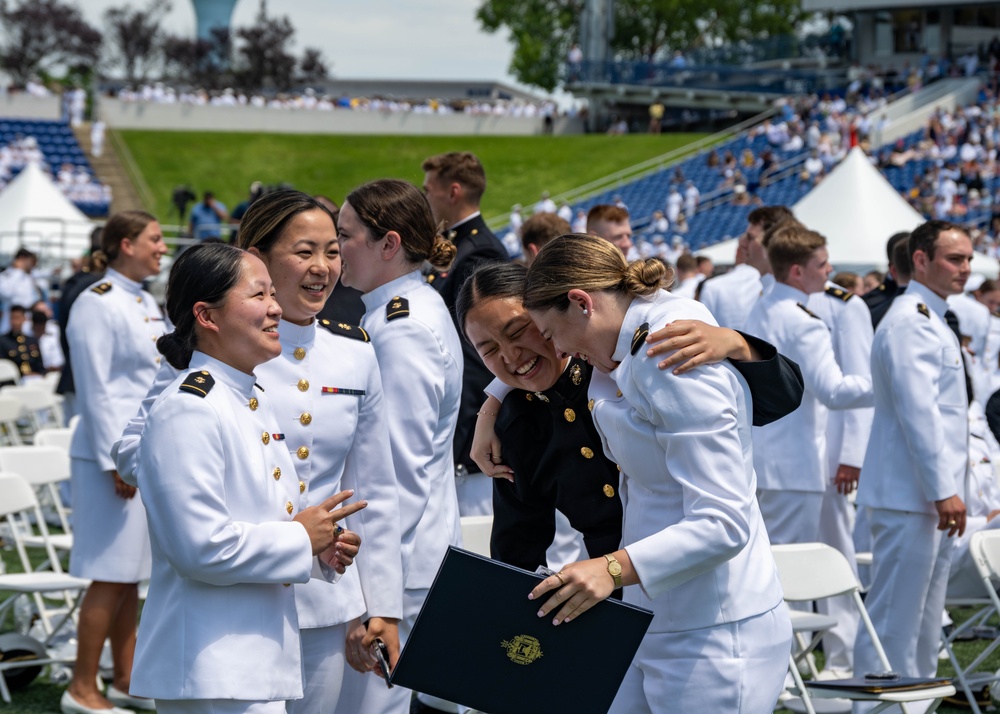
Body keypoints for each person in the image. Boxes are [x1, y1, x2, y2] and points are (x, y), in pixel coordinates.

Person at [521, 234, 791, 712]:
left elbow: (724, 522)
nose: (554, 350)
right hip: (657, 614)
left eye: (549, 333)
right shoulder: (629, 341)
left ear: (581, 303)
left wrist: (610, 570)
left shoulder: (667, 356)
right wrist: (493, 405)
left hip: (712, 630)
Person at [128, 243, 367, 714]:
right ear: (207, 316)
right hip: (210, 665)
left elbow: (255, 518)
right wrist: (300, 537)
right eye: (259, 295)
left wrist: (318, 543)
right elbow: (199, 547)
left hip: (249, 662)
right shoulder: (188, 408)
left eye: (273, 294)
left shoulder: (244, 395)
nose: (276, 307)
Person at [458, 259, 804, 574]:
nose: (509, 354)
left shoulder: (619, 361)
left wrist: (736, 344)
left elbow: (778, 400)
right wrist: (493, 403)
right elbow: (516, 549)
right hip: (618, 592)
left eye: (518, 331)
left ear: (543, 311)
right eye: (488, 350)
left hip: (708, 570)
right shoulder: (516, 424)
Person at [236, 190, 404, 712]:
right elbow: (139, 451)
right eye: (304, 251)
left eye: (332, 251)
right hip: (239, 592)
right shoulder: (213, 342)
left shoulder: (354, 352)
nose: (322, 268)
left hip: (327, 598)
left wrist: (384, 607)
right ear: (257, 257)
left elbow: (374, 489)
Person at [337, 178, 462, 713]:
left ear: (388, 244)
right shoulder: (394, 311)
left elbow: (396, 471)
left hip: (401, 569)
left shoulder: (402, 326)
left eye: (344, 236)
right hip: (408, 560)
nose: (333, 250)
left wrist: (374, 590)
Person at [854, 220, 973, 707]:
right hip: (912, 495)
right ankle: (872, 706)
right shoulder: (910, 320)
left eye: (968, 258)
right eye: (954, 258)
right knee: (893, 623)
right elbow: (918, 412)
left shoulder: (931, 317)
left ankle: (914, 705)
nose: (965, 268)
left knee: (924, 623)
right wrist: (943, 489)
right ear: (920, 260)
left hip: (924, 496)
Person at [61, 211, 169, 714]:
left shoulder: (145, 300)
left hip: (137, 454)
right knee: (109, 572)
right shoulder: (94, 302)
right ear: (125, 244)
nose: (162, 246)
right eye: (154, 238)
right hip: (108, 457)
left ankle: (125, 678)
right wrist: (115, 462)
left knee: (131, 573)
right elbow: (96, 388)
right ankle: (82, 687)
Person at [421, 151, 508, 517]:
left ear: (453, 191)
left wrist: (468, 432)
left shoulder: (478, 252)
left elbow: (478, 353)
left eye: (429, 191)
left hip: (469, 435)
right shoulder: (459, 246)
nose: (425, 199)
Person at [698, 206, 793, 330]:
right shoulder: (768, 287)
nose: (742, 243)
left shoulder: (794, 291)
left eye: (750, 238)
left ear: (772, 243)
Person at [0, 247, 42, 334]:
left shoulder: (26, 277)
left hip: (27, 321)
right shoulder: (6, 275)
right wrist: (17, 271)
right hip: (11, 321)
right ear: (22, 259)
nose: (32, 265)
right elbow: (6, 293)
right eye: (30, 261)